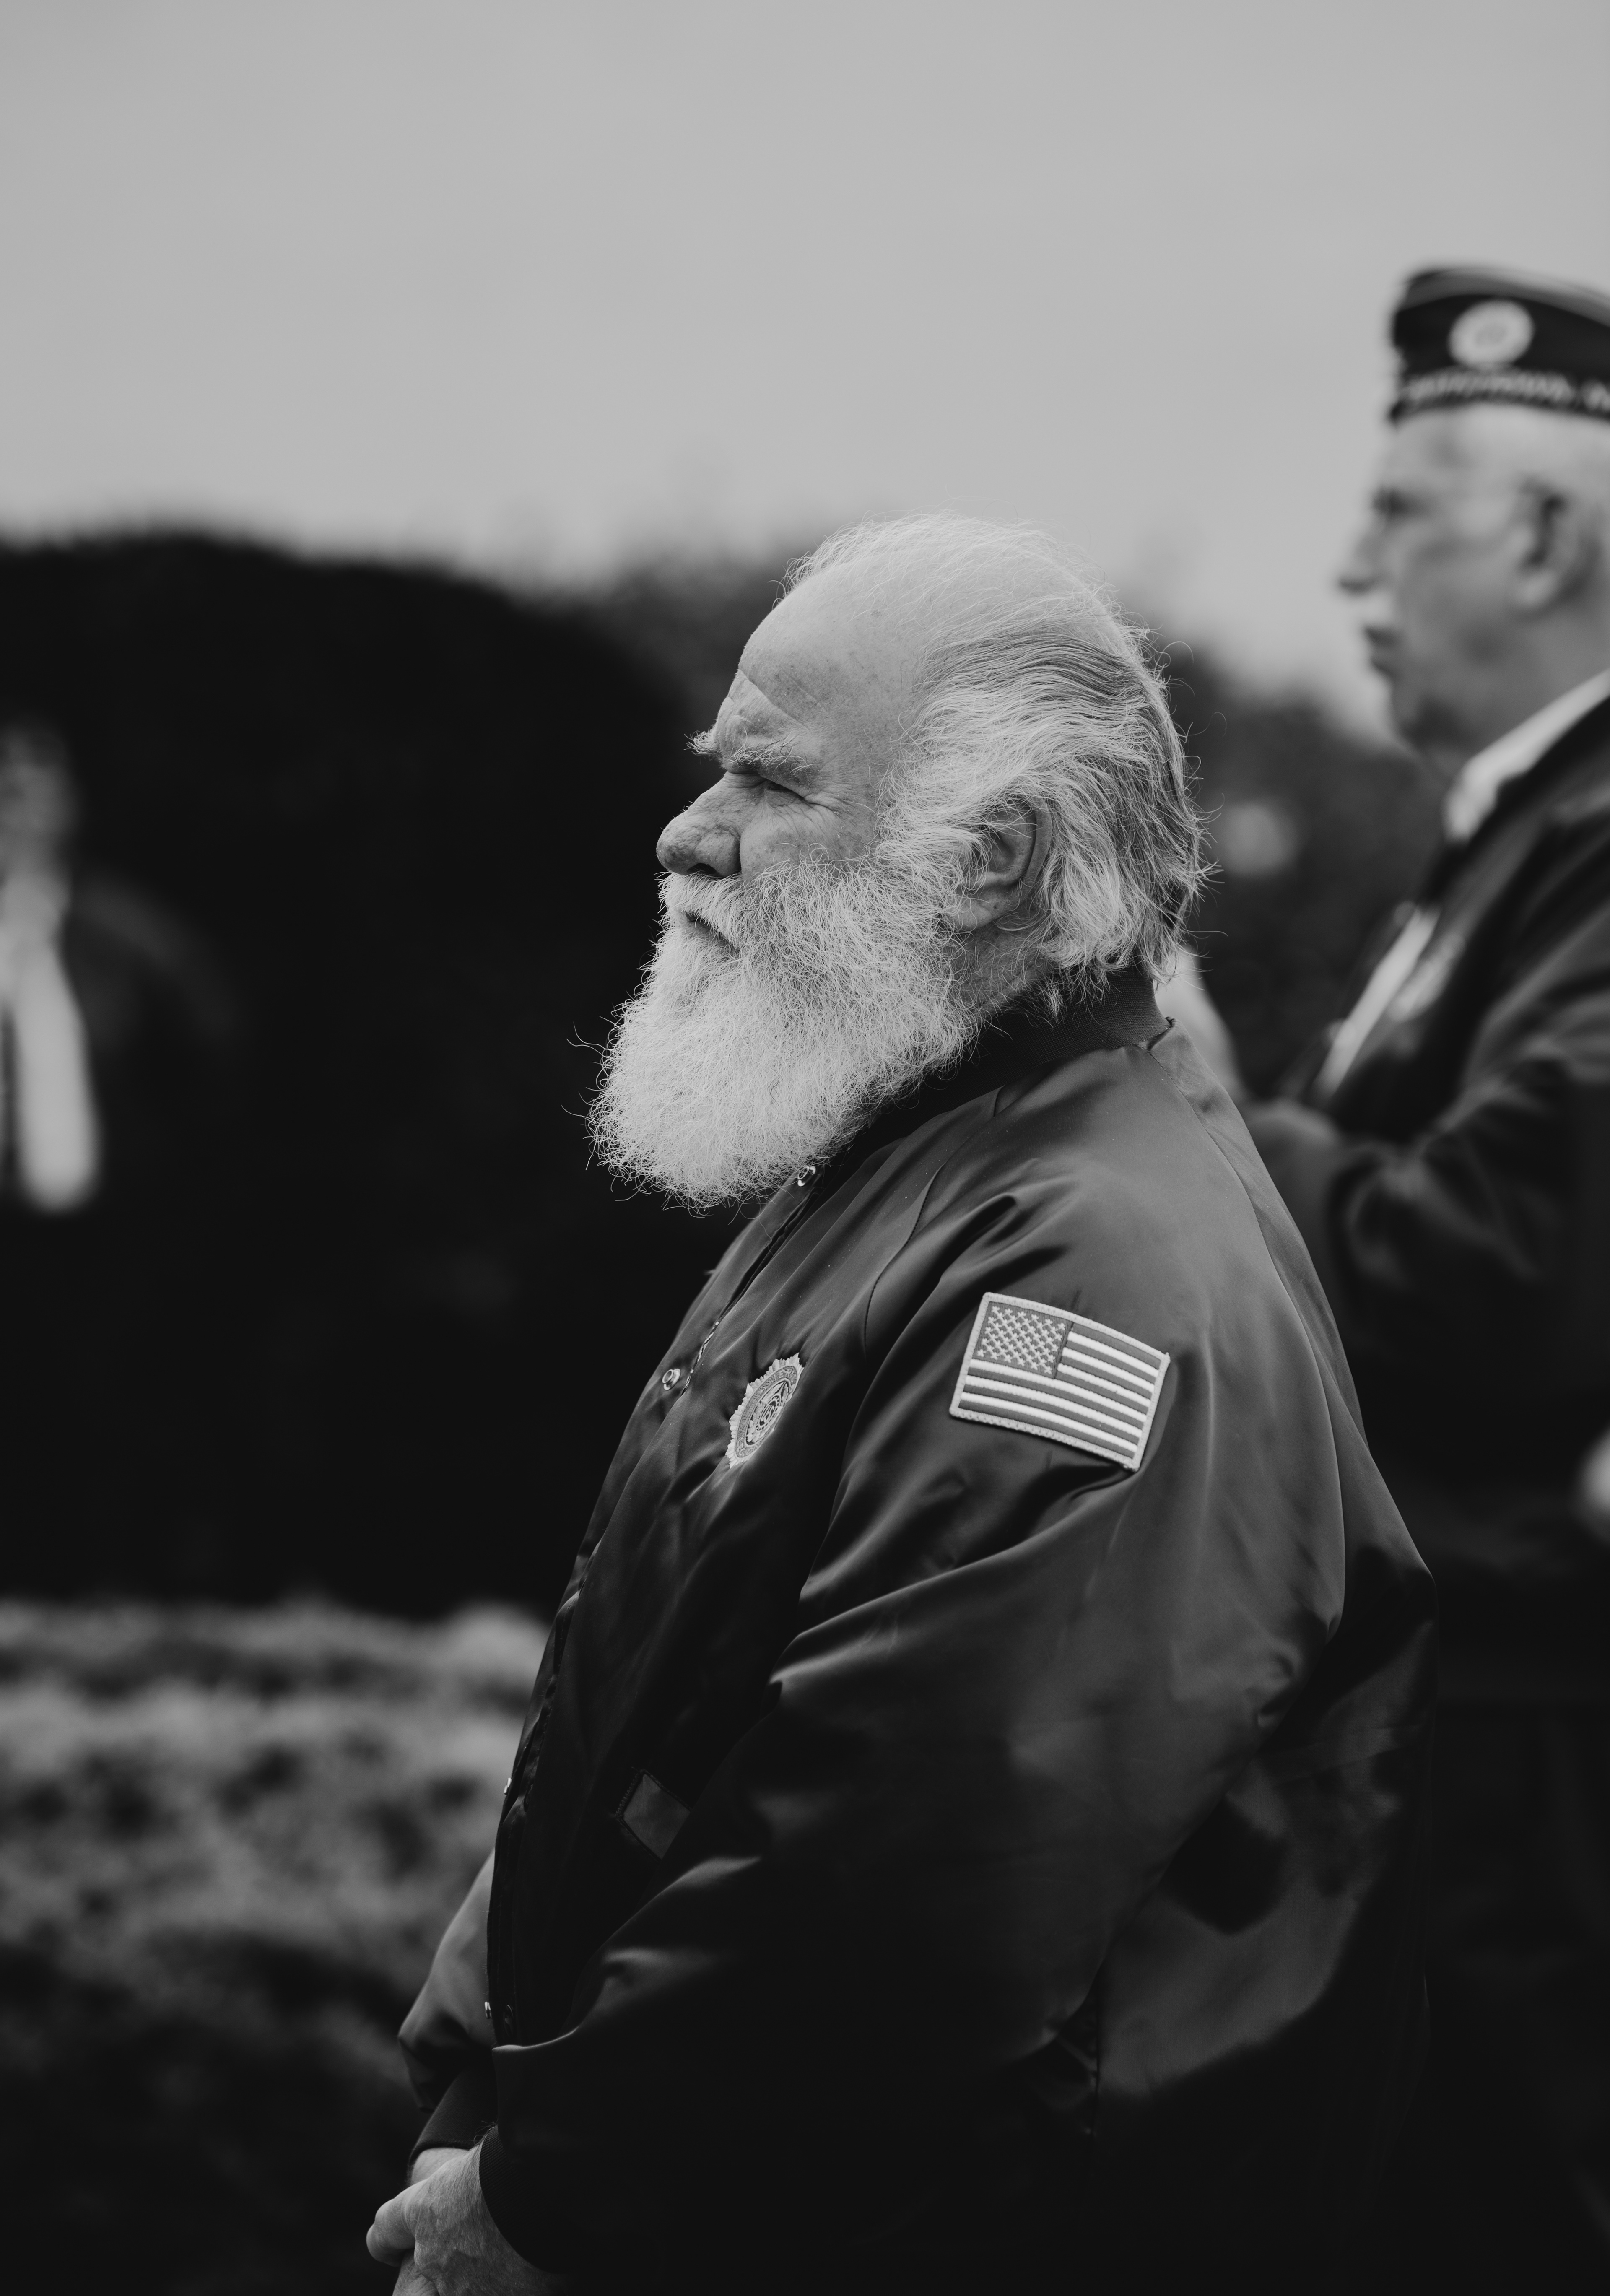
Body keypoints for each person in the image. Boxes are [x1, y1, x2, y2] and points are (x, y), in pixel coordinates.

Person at [368, 516, 1434, 2295]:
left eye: (768, 784)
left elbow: (912, 1871)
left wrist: (558, 2190)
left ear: (995, 859)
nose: (685, 832)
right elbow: (663, 1694)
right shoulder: (936, 1149)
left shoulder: (1084, 1262)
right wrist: (482, 2077)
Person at [1204, 269, 1610, 2289]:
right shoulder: (1522, 827)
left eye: (1407, 512)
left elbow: (1515, 1270)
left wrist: (1208, 1116)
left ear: (1545, 535)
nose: (1349, 565)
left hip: (1521, 1740)